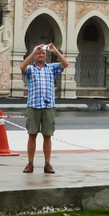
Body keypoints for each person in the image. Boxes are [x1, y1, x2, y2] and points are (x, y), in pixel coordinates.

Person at [20, 42, 66, 174]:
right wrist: (33, 52)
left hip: (48, 106)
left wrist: (56, 52)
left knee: (47, 135)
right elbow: (22, 67)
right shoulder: (31, 69)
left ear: (46, 56)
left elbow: (65, 64)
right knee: (32, 134)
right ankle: (30, 163)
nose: (41, 54)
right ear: (35, 56)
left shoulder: (51, 68)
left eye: (43, 53)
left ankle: (47, 164)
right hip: (34, 105)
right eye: (39, 53)